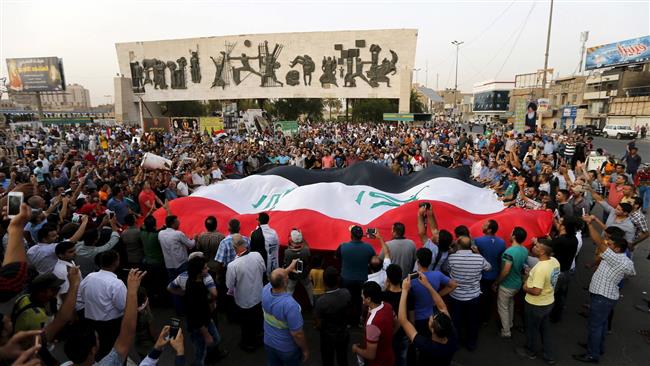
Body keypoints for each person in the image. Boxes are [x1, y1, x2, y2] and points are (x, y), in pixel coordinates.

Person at [573, 214, 636, 363]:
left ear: (618, 248)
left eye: (611, 244)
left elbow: (599, 242)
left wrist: (589, 224)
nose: (608, 244)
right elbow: (632, 271)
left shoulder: (615, 257)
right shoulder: (625, 260)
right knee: (600, 325)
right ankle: (596, 347)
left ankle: (592, 354)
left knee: (595, 326)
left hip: (602, 297)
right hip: (607, 296)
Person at [62, 269, 146, 366]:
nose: (99, 340)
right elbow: (126, 336)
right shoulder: (108, 363)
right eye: (97, 338)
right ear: (93, 350)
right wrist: (132, 290)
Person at [398, 273, 458, 366]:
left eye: (431, 319)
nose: (431, 315)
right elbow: (442, 307)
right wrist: (427, 285)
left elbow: (403, 320)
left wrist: (404, 290)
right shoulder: (452, 336)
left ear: (432, 329)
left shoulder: (426, 346)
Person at [516, 239, 560, 364]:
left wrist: (525, 285)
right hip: (548, 301)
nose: (533, 247)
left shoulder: (540, 268)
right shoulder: (554, 261)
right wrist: (532, 274)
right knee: (545, 329)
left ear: (542, 251)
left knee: (532, 329)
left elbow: (536, 291)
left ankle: (530, 351)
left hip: (536, 304)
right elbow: (550, 277)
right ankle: (548, 354)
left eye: (536, 246)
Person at [78, 250, 127, 361]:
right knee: (112, 354)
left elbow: (81, 295)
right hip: (110, 325)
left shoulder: (89, 277)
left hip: (90, 322)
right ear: (116, 262)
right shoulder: (117, 283)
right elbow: (123, 306)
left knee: (97, 352)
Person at [444, 236, 490, 351]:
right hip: (473, 296)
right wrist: (478, 253)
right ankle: (471, 344)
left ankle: (456, 342)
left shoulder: (452, 258)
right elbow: (489, 267)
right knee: (472, 321)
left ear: (458, 245)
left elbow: (446, 268)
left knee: (456, 320)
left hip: (456, 295)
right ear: (471, 246)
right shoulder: (479, 258)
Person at [262, 260, 310, 366]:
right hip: (287, 349)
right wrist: (305, 350)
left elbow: (277, 278)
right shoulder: (290, 305)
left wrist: (288, 268)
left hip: (269, 342)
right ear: (286, 282)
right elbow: (297, 334)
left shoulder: (265, 289)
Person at [226, 233, 265, 352]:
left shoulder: (233, 265)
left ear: (234, 248)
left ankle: (248, 344)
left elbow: (229, 285)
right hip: (258, 296)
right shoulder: (257, 255)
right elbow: (263, 270)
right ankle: (259, 339)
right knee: (258, 320)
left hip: (244, 301)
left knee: (246, 325)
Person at [184, 252, 225, 365]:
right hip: (199, 325)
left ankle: (208, 355)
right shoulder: (195, 288)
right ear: (199, 271)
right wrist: (206, 333)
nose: (208, 269)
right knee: (200, 352)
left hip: (205, 319)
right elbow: (195, 314)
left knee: (215, 340)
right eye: (205, 268)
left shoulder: (196, 281)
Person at [492, 227, 529, 338]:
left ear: (513, 236)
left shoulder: (509, 252)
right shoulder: (524, 250)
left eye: (511, 232)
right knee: (510, 303)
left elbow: (506, 270)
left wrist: (496, 283)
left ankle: (506, 332)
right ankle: (510, 324)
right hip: (517, 283)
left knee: (503, 307)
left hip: (507, 285)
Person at [335, 225, 375, 327]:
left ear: (351, 235)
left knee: (347, 300)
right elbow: (374, 261)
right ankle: (357, 322)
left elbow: (336, 256)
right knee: (359, 301)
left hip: (346, 279)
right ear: (361, 236)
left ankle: (347, 322)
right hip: (362, 279)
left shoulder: (343, 246)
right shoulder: (368, 248)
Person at [313, 267, 351, 366]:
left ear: (324, 282)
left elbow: (318, 323)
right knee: (343, 359)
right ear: (338, 279)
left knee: (327, 360)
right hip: (343, 334)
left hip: (327, 337)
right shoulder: (346, 293)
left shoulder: (321, 301)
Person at [352, 281, 395, 366]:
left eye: (362, 295)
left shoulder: (372, 323)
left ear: (368, 299)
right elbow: (397, 323)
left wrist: (356, 349)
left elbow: (370, 355)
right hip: (390, 357)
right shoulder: (387, 306)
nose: (361, 296)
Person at [474, 219, 506, 325]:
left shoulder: (477, 241)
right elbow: (501, 260)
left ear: (489, 229)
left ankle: (479, 319)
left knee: (480, 298)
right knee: (490, 299)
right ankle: (486, 318)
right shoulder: (502, 242)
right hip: (495, 275)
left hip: (481, 275)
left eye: (485, 225)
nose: (482, 226)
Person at [549, 217, 579, 323]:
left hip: (557, 272)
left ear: (564, 227)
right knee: (561, 295)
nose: (558, 224)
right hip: (567, 270)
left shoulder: (560, 240)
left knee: (551, 294)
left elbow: (551, 251)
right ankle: (557, 315)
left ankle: (549, 315)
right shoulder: (574, 239)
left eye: (560, 223)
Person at [159, 212, 196, 281]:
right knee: (184, 283)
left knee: (173, 285)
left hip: (169, 264)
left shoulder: (160, 234)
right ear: (173, 224)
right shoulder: (178, 234)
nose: (179, 223)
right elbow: (191, 245)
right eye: (177, 222)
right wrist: (194, 238)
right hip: (181, 264)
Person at [284, 229, 314, 305]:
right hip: (304, 275)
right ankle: (314, 304)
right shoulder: (306, 250)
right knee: (310, 289)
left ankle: (287, 306)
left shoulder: (287, 252)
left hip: (292, 276)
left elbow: (286, 264)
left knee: (289, 291)